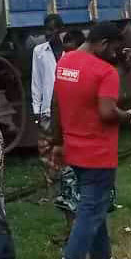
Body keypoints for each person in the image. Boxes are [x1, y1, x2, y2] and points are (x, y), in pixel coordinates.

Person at [50, 22, 131, 259]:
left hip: (74, 151)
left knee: (95, 207)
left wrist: (57, 142)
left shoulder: (66, 63)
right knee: (90, 210)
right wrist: (130, 116)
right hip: (98, 153)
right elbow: (107, 112)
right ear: (102, 43)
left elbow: (56, 104)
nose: (115, 53)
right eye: (113, 48)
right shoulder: (105, 71)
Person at [39, 28, 86, 240]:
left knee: (71, 183)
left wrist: (57, 138)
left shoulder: (70, 69)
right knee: (71, 184)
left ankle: (75, 230)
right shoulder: (79, 68)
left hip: (75, 135)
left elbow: (56, 102)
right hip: (76, 135)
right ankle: (76, 230)